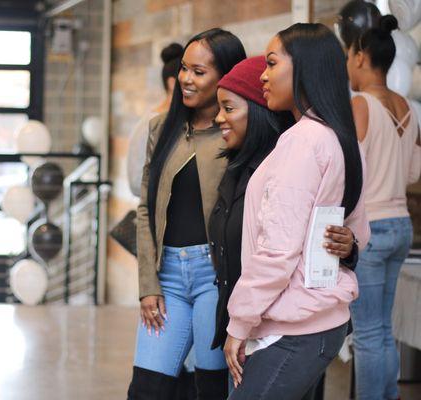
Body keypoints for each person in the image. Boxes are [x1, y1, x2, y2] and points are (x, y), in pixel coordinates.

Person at [222, 23, 370, 400]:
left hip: (297, 325)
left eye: (272, 64)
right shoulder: (338, 135)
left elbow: (277, 249)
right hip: (319, 320)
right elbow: (354, 230)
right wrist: (350, 245)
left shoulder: (304, 141)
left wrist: (238, 323)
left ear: (305, 67)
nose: (264, 75)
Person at [127, 28, 246, 399]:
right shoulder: (160, 129)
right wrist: (148, 283)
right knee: (146, 389)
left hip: (216, 278)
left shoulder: (237, 132)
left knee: (209, 390)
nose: (185, 79)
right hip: (168, 280)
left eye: (198, 71)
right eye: (184, 69)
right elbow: (145, 208)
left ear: (224, 76)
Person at [347, 15, 421, 400]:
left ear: (360, 57)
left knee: (368, 333)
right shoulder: (410, 108)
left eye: (349, 55)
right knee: (383, 329)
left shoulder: (360, 104)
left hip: (371, 228)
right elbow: (413, 173)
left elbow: (352, 173)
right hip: (401, 225)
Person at [127, 42, 183, 198]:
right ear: (172, 83)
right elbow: (137, 182)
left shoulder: (177, 121)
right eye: (186, 74)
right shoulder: (152, 124)